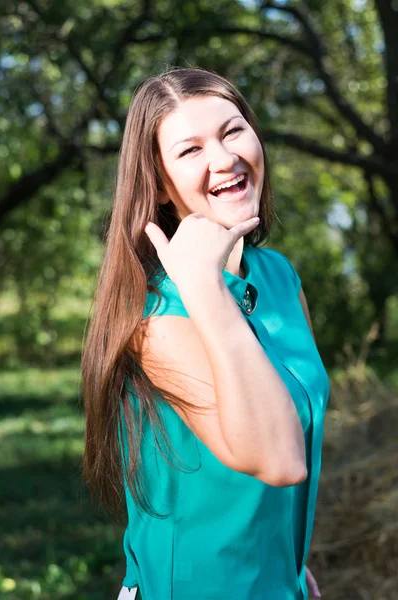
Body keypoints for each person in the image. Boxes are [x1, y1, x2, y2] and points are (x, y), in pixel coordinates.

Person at [81, 66, 330, 600]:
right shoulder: (157, 320)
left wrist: (289, 562)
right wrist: (205, 291)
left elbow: (293, 425)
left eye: (233, 130)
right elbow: (281, 460)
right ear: (163, 189)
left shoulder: (280, 277)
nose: (224, 158)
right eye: (190, 150)